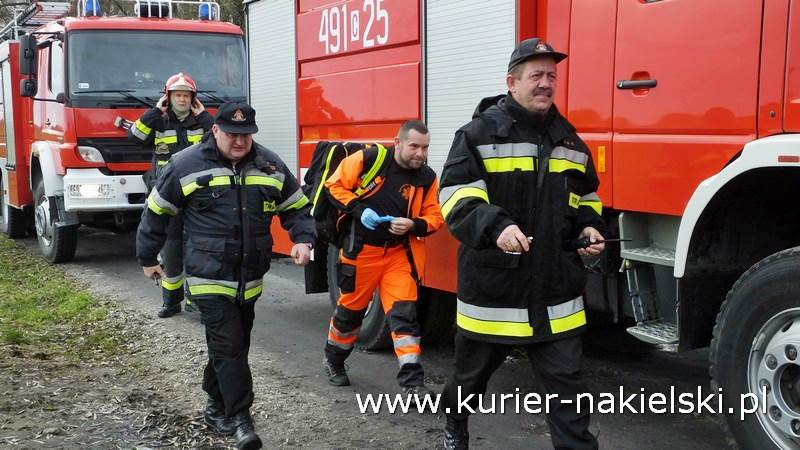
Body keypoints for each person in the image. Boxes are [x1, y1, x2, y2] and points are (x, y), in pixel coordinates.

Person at [437, 38, 606, 450]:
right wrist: (495, 227)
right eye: (536, 75)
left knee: (569, 391)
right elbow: (456, 197)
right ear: (512, 82)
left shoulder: (571, 142)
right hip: (494, 294)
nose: (546, 83)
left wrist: (589, 229)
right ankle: (455, 421)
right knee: (469, 379)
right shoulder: (477, 134)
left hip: (555, 295)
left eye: (552, 75)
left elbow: (586, 199)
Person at [136, 101, 315, 450]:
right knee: (229, 345)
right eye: (232, 134)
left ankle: (215, 405)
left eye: (246, 135)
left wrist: (303, 241)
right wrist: (147, 256)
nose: (239, 142)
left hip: (249, 278)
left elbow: (296, 208)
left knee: (234, 347)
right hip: (208, 276)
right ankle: (240, 419)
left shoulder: (270, 164)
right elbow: (156, 212)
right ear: (214, 130)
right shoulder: (185, 164)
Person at [322, 121, 444, 396]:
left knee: (405, 317)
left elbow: (435, 216)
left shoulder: (426, 177)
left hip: (398, 256)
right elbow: (333, 186)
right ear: (398, 143)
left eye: (425, 148)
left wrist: (413, 225)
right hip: (361, 254)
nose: (420, 154)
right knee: (349, 315)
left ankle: (413, 384)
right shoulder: (370, 158)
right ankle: (334, 361)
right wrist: (358, 209)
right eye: (414, 146)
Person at [129, 72, 213, 318]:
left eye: (186, 95)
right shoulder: (159, 122)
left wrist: (205, 116)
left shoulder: (202, 123)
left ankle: (194, 300)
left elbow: (220, 140)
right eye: (177, 94)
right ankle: (171, 301)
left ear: (193, 99)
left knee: (197, 250)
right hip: (168, 196)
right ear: (168, 98)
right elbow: (134, 137)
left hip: (197, 196)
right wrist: (155, 112)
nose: (182, 99)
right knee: (172, 250)